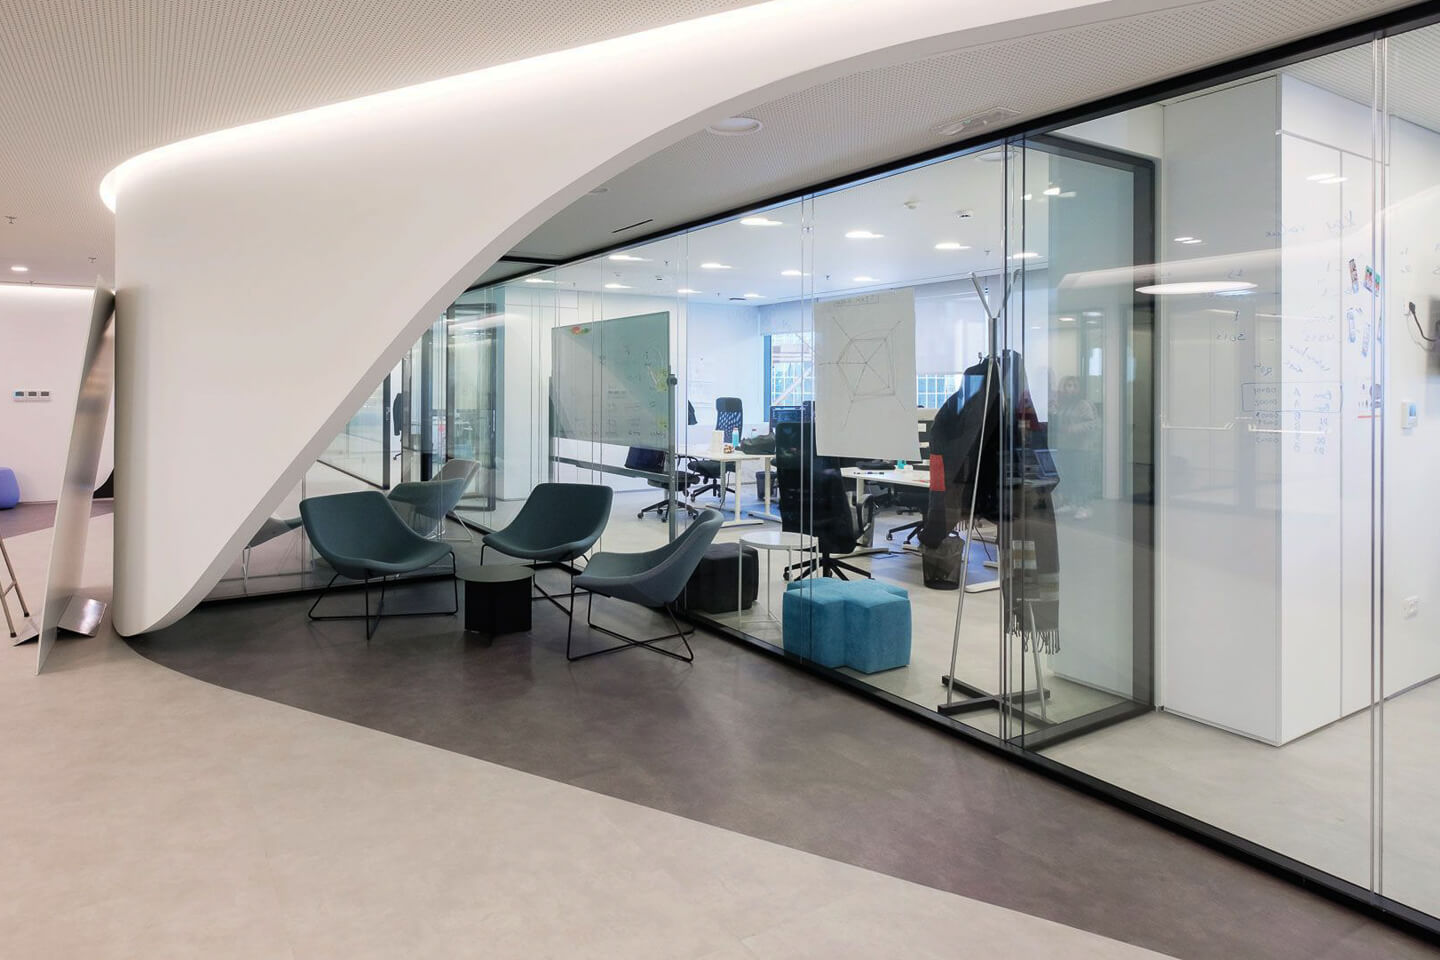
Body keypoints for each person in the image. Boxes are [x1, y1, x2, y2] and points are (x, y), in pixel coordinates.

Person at [1049, 376, 1100, 520]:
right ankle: (1071, 503)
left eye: (1073, 385)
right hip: (1065, 448)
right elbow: (1058, 422)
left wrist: (1073, 429)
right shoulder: (1063, 405)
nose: (1070, 388)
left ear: (1079, 388)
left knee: (1081, 477)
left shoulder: (1084, 405)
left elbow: (1092, 424)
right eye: (1067, 385)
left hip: (1081, 449)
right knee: (1068, 477)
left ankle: (1085, 506)